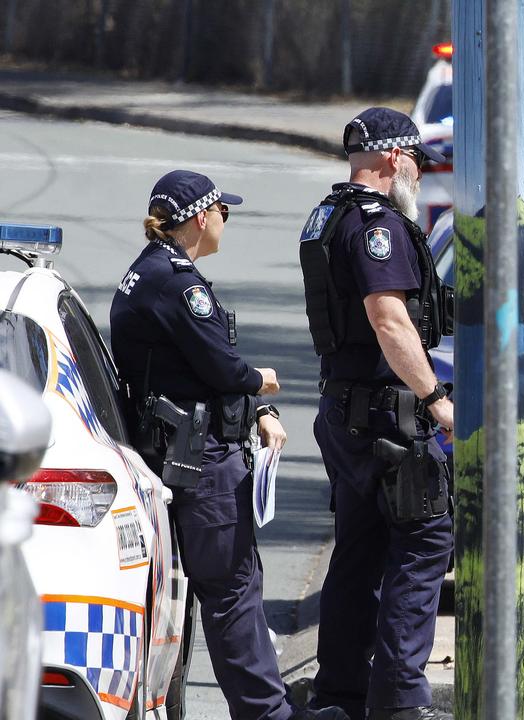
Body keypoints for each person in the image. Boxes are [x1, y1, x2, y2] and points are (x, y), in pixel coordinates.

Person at [111, 170, 346, 720]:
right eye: (224, 211)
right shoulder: (178, 283)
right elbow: (220, 366)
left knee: (229, 589)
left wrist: (257, 409)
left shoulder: (153, 273)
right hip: (200, 460)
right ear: (200, 216)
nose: (226, 221)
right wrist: (259, 381)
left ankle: (270, 704)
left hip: (186, 450)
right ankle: (269, 713)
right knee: (232, 591)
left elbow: (198, 366)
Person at [301, 108, 454, 720]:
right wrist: (436, 399)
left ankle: (339, 694)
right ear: (394, 159)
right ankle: (397, 704)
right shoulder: (377, 226)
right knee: (423, 542)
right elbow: (389, 319)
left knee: (358, 549)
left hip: (344, 408)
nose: (420, 173)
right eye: (417, 160)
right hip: (386, 415)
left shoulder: (327, 213)